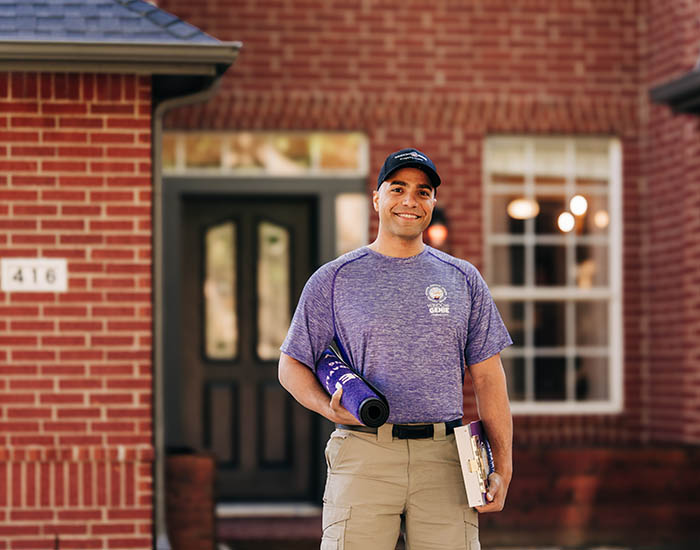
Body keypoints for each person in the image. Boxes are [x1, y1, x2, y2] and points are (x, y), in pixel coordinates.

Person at [278, 148, 513, 550]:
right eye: (398, 188)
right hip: (363, 453)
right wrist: (325, 406)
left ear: (433, 203)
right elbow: (291, 364)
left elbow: (489, 379)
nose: (410, 201)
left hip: (446, 459)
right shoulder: (334, 279)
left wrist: (503, 466)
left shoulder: (463, 279)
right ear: (377, 198)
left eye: (423, 192)